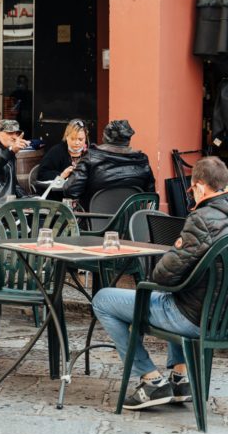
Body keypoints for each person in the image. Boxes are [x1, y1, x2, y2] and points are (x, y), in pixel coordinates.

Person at [93, 156, 228, 409]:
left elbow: (162, 276)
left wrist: (173, 256)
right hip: (222, 321)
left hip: (192, 319)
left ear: (199, 187)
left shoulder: (201, 219)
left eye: (191, 189)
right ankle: (180, 379)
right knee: (178, 293)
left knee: (103, 300)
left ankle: (150, 380)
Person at [62, 119, 156, 208]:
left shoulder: (90, 157)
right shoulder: (142, 160)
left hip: (95, 217)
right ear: (128, 140)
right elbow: (150, 197)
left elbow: (71, 191)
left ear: (105, 138)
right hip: (131, 218)